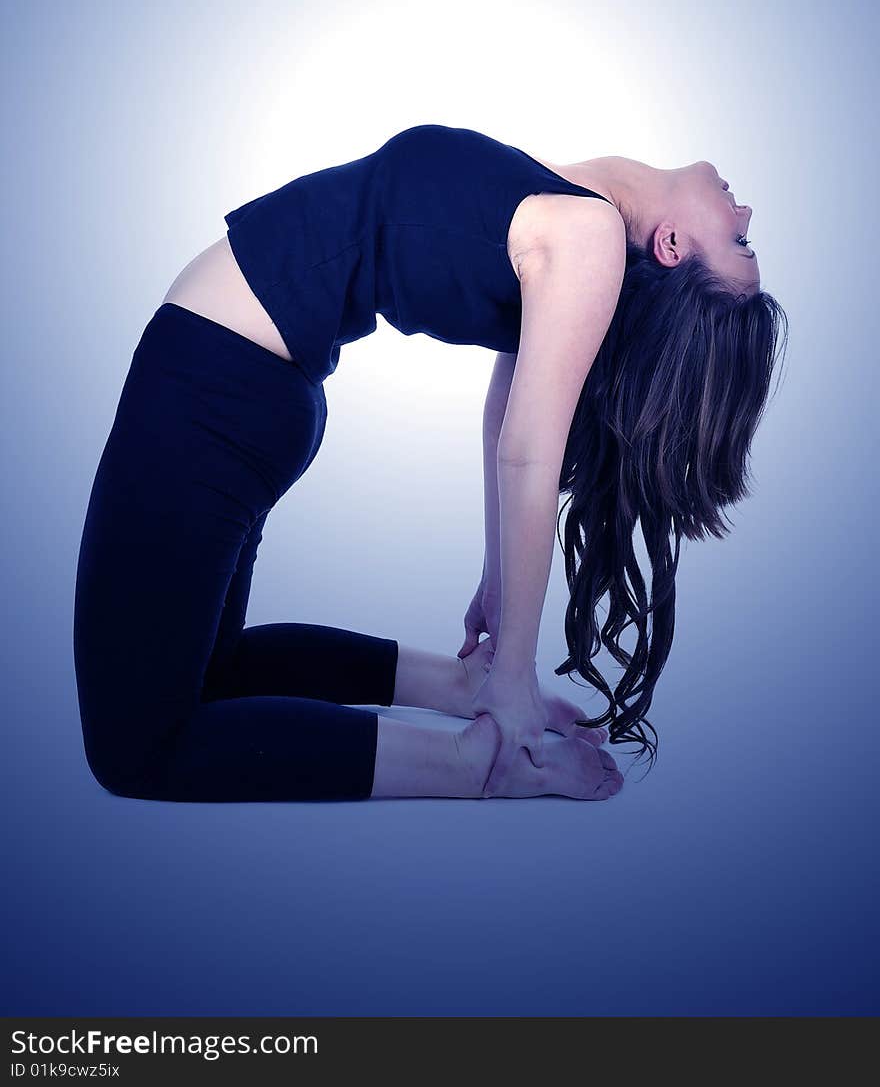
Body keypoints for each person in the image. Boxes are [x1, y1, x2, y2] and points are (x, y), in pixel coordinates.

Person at [73, 124, 787, 803]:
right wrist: (497, 589)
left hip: (218, 385)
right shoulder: (576, 216)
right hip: (239, 387)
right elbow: (504, 420)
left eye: (741, 239)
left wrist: (516, 673)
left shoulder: (587, 236)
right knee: (211, 673)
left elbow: (528, 452)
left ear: (671, 245)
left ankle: (477, 765)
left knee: (135, 748)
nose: (744, 205)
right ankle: (457, 690)